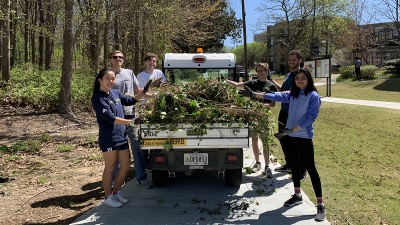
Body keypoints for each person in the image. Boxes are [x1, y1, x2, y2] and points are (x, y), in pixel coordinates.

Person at [244, 68, 326, 222]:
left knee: (311, 169)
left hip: (303, 136)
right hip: (290, 135)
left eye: (303, 78)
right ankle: (297, 195)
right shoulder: (293, 94)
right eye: (297, 78)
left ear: (308, 80)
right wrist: (255, 94)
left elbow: (311, 118)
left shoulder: (313, 96)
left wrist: (292, 130)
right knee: (294, 166)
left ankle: (320, 205)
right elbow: (276, 95)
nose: (300, 80)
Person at [91, 68, 152, 207]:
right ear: (100, 80)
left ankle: (116, 192)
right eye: (107, 78)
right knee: (110, 167)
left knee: (125, 165)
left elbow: (130, 100)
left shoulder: (114, 93)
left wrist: (143, 92)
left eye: (112, 79)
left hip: (121, 136)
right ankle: (107, 197)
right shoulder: (98, 98)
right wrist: (131, 121)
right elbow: (111, 118)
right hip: (109, 138)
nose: (110, 81)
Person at [109, 50, 153, 189]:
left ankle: (141, 177)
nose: (118, 59)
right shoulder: (107, 75)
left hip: (130, 115)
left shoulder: (129, 73)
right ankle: (114, 179)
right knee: (116, 148)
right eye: (115, 57)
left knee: (137, 146)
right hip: (114, 117)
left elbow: (138, 90)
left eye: (121, 57)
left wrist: (153, 95)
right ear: (110, 59)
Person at [225, 63, 277, 178]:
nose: (260, 73)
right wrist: (225, 81)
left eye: (263, 70)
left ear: (267, 71)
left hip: (264, 116)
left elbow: (272, 104)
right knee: (254, 139)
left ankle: (267, 166)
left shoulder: (270, 86)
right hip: (253, 117)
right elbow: (238, 85)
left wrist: (260, 107)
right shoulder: (252, 83)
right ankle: (258, 163)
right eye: (258, 71)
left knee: (265, 140)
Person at [270, 50, 308, 181]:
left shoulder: (301, 75)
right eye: (289, 59)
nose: (291, 62)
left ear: (299, 60)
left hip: (295, 113)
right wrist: (273, 81)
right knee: (284, 139)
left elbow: (297, 92)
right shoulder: (288, 75)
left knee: (297, 142)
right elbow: (283, 90)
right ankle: (290, 165)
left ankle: (303, 170)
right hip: (284, 111)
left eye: (294, 59)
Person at [136, 52, 167, 167]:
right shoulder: (140, 76)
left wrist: (159, 96)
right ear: (145, 62)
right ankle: (146, 163)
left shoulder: (159, 73)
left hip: (158, 106)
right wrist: (154, 96)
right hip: (145, 108)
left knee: (158, 133)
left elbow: (164, 86)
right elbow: (141, 92)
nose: (152, 63)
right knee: (146, 136)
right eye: (149, 60)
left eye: (154, 61)